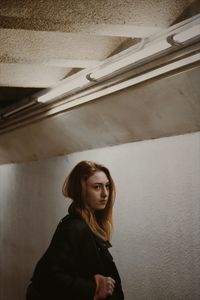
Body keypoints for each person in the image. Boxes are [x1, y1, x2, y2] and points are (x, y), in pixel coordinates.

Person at [26, 160, 124, 300]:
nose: (105, 193)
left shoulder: (90, 226)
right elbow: (46, 276)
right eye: (97, 187)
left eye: (107, 186)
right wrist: (94, 288)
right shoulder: (74, 227)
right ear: (81, 191)